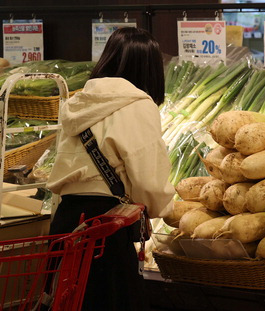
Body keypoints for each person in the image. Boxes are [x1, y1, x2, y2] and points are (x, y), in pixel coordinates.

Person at [46, 27, 175, 311]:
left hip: (66, 221)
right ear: (150, 69)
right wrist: (159, 209)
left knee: (66, 301)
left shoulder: (77, 103)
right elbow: (148, 177)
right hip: (105, 227)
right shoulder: (139, 106)